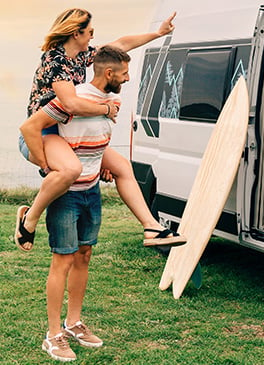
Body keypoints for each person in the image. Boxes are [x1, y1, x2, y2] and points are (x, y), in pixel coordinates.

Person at [15, 8, 184, 251]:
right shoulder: (56, 61)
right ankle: (29, 219)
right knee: (71, 168)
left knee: (122, 167)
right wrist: (105, 110)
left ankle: (152, 227)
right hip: (42, 134)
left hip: (65, 133)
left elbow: (121, 45)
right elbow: (71, 104)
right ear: (76, 33)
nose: (93, 37)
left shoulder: (81, 56)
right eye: (90, 32)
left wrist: (158, 33)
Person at [21, 46, 128, 362]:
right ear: (109, 73)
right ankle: (52, 335)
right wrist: (46, 167)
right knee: (63, 260)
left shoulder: (112, 102)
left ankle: (73, 323)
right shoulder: (71, 101)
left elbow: (96, 141)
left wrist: (102, 163)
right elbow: (33, 128)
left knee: (84, 255)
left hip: (91, 192)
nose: (128, 78)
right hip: (67, 195)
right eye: (124, 72)